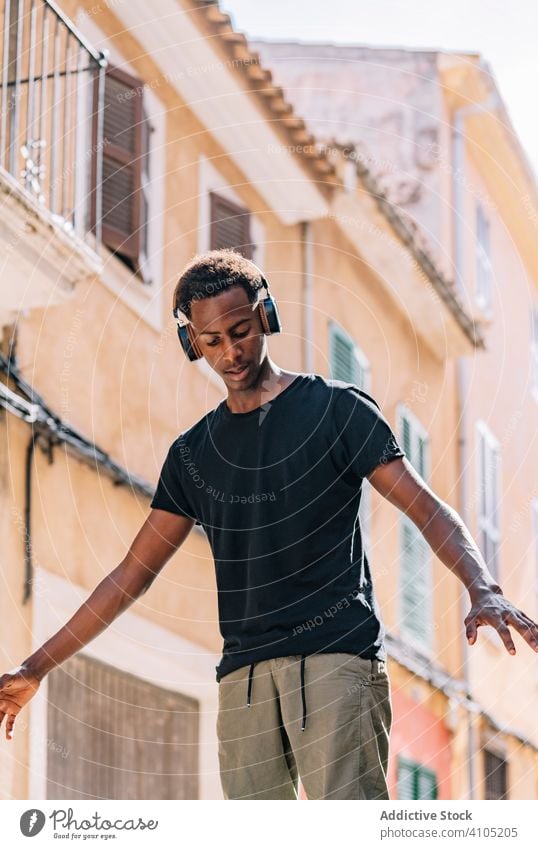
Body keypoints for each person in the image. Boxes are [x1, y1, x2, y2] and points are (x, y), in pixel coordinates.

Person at [1, 249, 537, 801]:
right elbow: (130, 575)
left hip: (337, 659)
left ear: (265, 316)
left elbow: (425, 507)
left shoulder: (337, 410)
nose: (231, 352)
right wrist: (35, 667)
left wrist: (483, 587)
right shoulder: (192, 455)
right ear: (192, 344)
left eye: (241, 331)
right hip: (244, 681)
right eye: (212, 341)